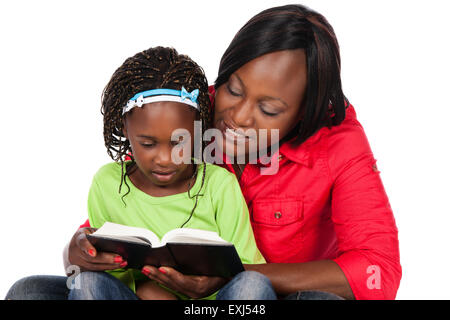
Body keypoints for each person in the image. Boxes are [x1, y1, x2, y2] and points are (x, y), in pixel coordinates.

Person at [5, 4, 401, 301]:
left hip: (257, 299)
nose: (236, 117)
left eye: (269, 109)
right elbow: (127, 211)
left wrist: (229, 273)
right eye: (233, 88)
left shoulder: (339, 145)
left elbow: (377, 272)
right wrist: (79, 249)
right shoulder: (191, 113)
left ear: (304, 112)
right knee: (29, 292)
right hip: (157, 292)